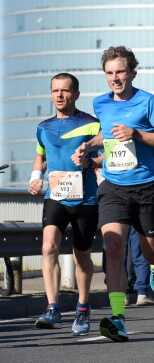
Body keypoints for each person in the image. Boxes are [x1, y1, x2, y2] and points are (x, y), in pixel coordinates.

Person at [72, 46, 154, 342]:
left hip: (146, 188)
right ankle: (118, 317)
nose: (115, 78)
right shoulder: (100, 103)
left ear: (132, 72)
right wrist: (89, 147)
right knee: (114, 247)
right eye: (109, 73)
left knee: (150, 250)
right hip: (114, 187)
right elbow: (107, 136)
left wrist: (138, 134)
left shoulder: (148, 102)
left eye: (120, 71)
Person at [29, 73, 100, 335]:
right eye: (55, 90)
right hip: (55, 198)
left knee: (81, 256)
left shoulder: (92, 124)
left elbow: (107, 156)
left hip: (86, 200)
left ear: (76, 94)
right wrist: (36, 178)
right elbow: (40, 158)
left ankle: (82, 308)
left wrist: (90, 162)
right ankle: (52, 308)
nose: (60, 95)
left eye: (65, 90)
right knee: (49, 247)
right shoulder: (43, 127)